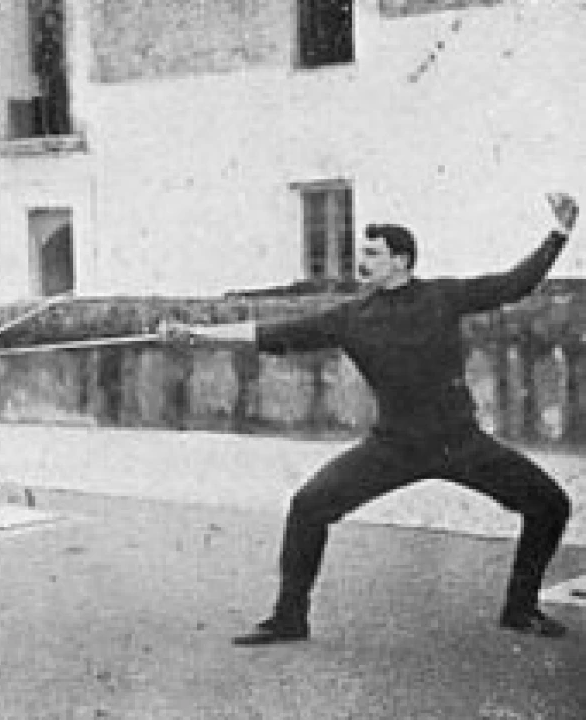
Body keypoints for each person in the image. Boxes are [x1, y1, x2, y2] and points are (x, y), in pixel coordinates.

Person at [161, 192, 579, 644]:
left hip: (460, 442)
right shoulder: (352, 316)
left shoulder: (442, 296)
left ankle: (520, 608)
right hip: (393, 446)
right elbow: (274, 334)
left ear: (401, 261)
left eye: (373, 253)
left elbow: (516, 283)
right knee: (308, 506)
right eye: (363, 252)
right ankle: (288, 618)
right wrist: (197, 333)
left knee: (551, 505)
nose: (362, 261)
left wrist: (559, 232)